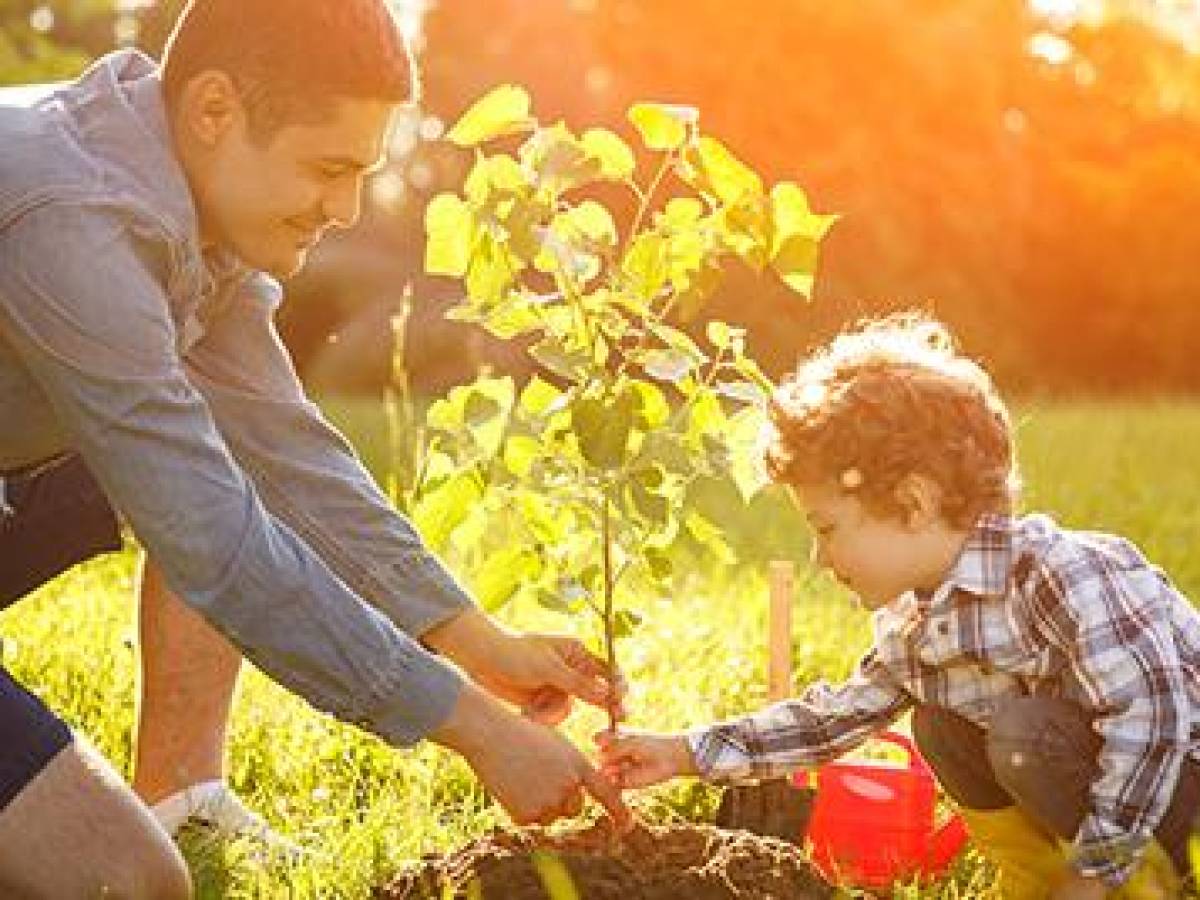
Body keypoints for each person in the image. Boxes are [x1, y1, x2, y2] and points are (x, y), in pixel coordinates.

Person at [0, 1, 630, 896]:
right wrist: (478, 732)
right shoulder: (77, 218)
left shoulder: (187, 198)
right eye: (328, 169)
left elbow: (287, 451)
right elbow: (214, 544)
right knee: (127, 883)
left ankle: (184, 791)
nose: (344, 208)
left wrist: (477, 643)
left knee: (211, 454)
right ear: (214, 110)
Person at [598, 314, 1200, 899]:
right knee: (941, 723)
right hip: (1112, 788)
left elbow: (1152, 720)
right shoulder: (918, 624)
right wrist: (682, 753)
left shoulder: (1064, 576)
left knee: (1025, 731)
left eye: (827, 528)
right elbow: (831, 720)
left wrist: (1098, 871)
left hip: (1180, 783)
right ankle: (1036, 883)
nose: (817, 555)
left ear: (913, 504)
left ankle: (1141, 884)